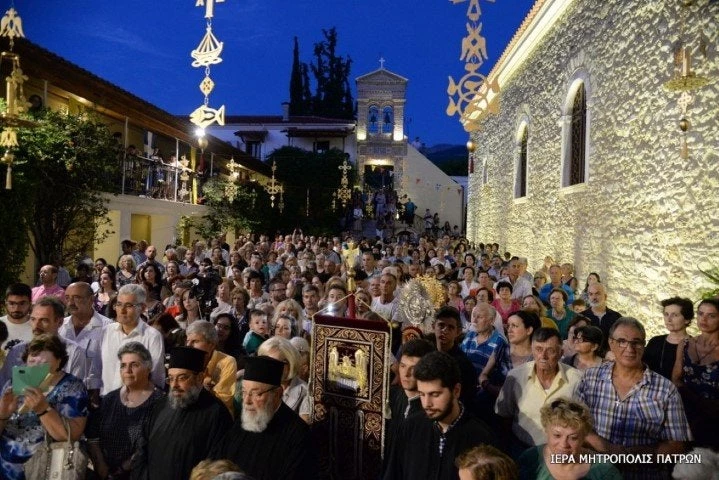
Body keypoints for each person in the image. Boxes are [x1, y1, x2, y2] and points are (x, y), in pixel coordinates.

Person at [577, 317, 691, 480]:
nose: (629, 348)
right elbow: (575, 425)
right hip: (595, 473)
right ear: (611, 343)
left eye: (636, 342)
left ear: (643, 346)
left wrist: (632, 455)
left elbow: (676, 446)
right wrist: (608, 448)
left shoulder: (665, 390)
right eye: (622, 341)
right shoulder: (590, 379)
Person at [383, 351, 495, 480]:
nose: (427, 404)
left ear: (456, 391)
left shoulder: (481, 438)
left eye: (435, 395)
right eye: (422, 394)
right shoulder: (410, 427)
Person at [210, 355, 315, 480]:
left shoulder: (297, 434)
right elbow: (215, 463)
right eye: (244, 392)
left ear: (277, 394)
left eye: (256, 394)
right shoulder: (243, 423)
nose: (247, 401)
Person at [135, 346, 232, 480]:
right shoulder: (160, 406)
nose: (174, 385)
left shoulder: (216, 413)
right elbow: (142, 451)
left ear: (199, 378)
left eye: (182, 378)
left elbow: (216, 466)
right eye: (171, 378)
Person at [0, 334, 89, 480]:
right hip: (6, 469)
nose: (35, 366)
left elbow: (71, 435)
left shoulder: (73, 387)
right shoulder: (14, 383)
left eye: (43, 363)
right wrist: (3, 414)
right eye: (32, 361)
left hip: (44, 468)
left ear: (58, 362)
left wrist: (43, 409)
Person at [495, 328, 582, 454]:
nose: (543, 356)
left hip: (560, 452)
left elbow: (580, 423)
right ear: (532, 350)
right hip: (520, 448)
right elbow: (504, 416)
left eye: (550, 350)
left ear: (560, 353)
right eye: (538, 349)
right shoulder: (516, 377)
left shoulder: (576, 380)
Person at [86, 342, 164, 480]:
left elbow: (153, 446)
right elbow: (93, 436)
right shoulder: (110, 399)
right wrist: (101, 465)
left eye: (134, 365)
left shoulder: (160, 402)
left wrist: (121, 469)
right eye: (123, 365)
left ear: (148, 368)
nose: (127, 370)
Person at [517, 398, 622, 480]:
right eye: (557, 435)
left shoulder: (604, 471)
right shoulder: (530, 460)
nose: (564, 444)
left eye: (573, 438)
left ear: (583, 437)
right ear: (546, 431)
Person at [100, 284, 165, 395]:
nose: (122, 310)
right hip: (107, 401)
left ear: (143, 308)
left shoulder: (152, 336)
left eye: (129, 305)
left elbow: (156, 376)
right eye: (119, 304)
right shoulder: (106, 332)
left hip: (137, 403)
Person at [671, 298, 719, 449]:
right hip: (687, 416)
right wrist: (692, 398)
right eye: (700, 314)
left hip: (715, 420)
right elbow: (675, 379)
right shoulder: (685, 344)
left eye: (711, 316)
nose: (704, 319)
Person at [387, 338, 435, 463]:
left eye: (413, 368)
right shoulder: (389, 396)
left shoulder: (432, 409)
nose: (406, 373)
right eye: (403, 366)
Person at [186, 320, 237, 415]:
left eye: (195, 341)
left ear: (211, 344)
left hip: (218, 416)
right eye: (188, 340)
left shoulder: (227, 362)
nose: (188, 345)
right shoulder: (187, 360)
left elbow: (224, 399)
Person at [432, 306, 478, 410]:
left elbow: (467, 399)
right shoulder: (427, 353)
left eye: (450, 327)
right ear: (433, 326)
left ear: (458, 332)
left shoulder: (463, 365)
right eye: (441, 325)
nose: (444, 330)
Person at [257, 337, 310, 423]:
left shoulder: (305, 392)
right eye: (267, 363)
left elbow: (303, 429)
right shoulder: (258, 386)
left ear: (291, 363)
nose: (272, 368)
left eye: (277, 363)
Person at [643, 296, 693, 380]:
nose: (669, 319)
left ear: (687, 319)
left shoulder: (694, 346)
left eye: (675, 315)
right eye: (666, 314)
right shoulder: (655, 342)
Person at [579, 283, 622, 353]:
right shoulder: (581, 317)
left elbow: (620, 340)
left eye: (597, 294)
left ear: (605, 296)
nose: (594, 297)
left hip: (610, 359)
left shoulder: (616, 317)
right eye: (591, 294)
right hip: (587, 358)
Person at [0, 283, 33, 351]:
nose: (17, 308)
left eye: (22, 303)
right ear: (6, 303)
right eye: (12, 303)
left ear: (30, 304)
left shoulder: (38, 327)